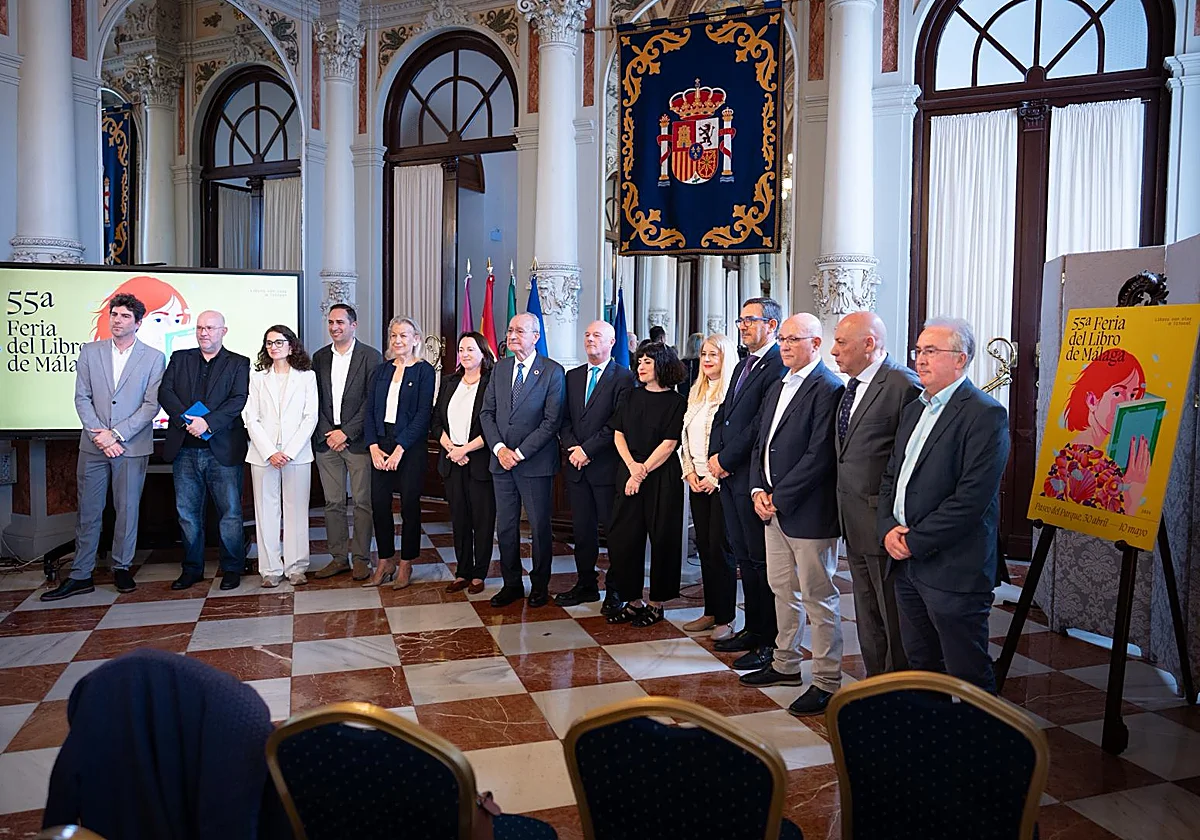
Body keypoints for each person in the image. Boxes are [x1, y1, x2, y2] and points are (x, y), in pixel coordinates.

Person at [878, 317, 1010, 692]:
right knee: (922, 666)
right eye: (919, 350)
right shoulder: (915, 408)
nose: (920, 359)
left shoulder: (984, 414)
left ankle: (975, 746)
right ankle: (933, 743)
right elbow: (892, 476)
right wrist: (888, 528)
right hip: (905, 565)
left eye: (931, 351)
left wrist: (913, 541)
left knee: (966, 670)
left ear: (961, 358)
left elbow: (970, 500)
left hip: (952, 568)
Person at [739, 314, 844, 717]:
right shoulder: (779, 384)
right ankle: (785, 664)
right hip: (771, 507)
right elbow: (759, 442)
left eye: (792, 339)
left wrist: (778, 497)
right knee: (782, 588)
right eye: (781, 338)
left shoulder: (828, 387)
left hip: (808, 512)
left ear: (816, 344)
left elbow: (820, 455)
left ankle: (826, 680)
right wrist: (756, 489)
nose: (783, 345)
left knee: (818, 597)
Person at [42, 293, 165, 601]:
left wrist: (117, 435)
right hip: (94, 446)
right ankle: (80, 574)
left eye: (124, 316)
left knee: (127, 510)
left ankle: (121, 568)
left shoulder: (153, 357)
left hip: (131, 445)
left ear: (138, 323)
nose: (117, 320)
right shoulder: (90, 351)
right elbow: (81, 397)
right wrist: (101, 435)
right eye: (114, 315)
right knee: (88, 512)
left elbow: (151, 406)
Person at [829, 311, 921, 676]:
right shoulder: (849, 386)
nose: (834, 351)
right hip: (851, 518)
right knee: (866, 612)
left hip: (882, 522)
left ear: (869, 344)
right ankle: (875, 684)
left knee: (891, 614)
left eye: (841, 343)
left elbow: (907, 460)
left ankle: (896, 690)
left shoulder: (902, 384)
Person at [706, 297, 786, 670]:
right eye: (740, 320)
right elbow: (725, 413)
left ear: (771, 325)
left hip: (750, 474)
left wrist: (725, 459)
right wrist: (713, 455)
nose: (742, 327)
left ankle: (769, 639)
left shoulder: (776, 364)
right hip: (728, 476)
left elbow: (758, 424)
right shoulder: (743, 365)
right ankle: (752, 628)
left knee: (760, 561)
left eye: (750, 320)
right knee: (744, 559)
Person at [157, 310, 251, 592]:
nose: (204, 333)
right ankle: (192, 568)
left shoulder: (238, 363)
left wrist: (207, 422)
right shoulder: (180, 358)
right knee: (187, 513)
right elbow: (165, 393)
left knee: (231, 513)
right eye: (199, 328)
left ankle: (233, 568)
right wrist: (189, 421)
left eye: (210, 328)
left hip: (222, 450)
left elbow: (238, 400)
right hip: (184, 448)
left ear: (224, 331)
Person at [480, 313, 567, 608]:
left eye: (520, 330)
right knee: (505, 526)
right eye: (510, 329)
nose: (513, 335)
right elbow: (486, 414)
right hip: (500, 463)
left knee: (540, 527)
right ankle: (512, 584)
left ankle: (540, 585)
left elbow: (551, 422)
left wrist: (518, 453)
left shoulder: (553, 372)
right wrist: (500, 449)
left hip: (534, 464)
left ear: (536, 336)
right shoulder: (501, 369)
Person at [606, 342, 688, 626]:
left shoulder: (677, 402)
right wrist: (632, 468)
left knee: (663, 539)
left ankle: (656, 602)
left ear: (662, 366)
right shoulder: (629, 396)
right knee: (623, 538)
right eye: (639, 361)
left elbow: (669, 444)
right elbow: (618, 434)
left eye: (648, 362)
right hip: (629, 469)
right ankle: (632, 600)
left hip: (661, 475)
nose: (640, 366)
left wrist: (640, 474)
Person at [557, 320, 635, 608]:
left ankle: (615, 591)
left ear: (612, 342)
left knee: (613, 532)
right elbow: (563, 419)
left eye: (597, 335)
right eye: (587, 335)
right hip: (576, 469)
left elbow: (617, 422)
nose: (590, 339)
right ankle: (585, 584)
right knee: (583, 530)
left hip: (606, 468)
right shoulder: (573, 376)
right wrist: (572, 448)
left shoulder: (623, 377)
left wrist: (587, 450)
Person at [311, 304, 385, 581]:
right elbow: (312, 399)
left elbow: (372, 401)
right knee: (333, 503)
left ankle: (362, 558)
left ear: (354, 325)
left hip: (358, 442)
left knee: (363, 502)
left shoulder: (371, 357)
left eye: (340, 322)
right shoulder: (318, 358)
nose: (334, 327)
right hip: (327, 441)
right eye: (331, 322)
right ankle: (338, 557)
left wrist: (347, 432)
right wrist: (329, 431)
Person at [243, 325, 319, 588]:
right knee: (266, 511)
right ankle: (270, 569)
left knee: (296, 510)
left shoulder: (306, 377)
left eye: (279, 342)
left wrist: (287, 452)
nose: (273, 347)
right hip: (263, 455)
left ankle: (296, 567)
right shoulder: (258, 377)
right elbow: (250, 417)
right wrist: (270, 452)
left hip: (296, 455)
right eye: (269, 343)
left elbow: (310, 417)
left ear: (291, 345)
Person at [363, 317, 436, 589]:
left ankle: (406, 562)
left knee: (409, 506)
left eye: (404, 336)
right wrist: (373, 445)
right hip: (380, 444)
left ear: (416, 339)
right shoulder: (381, 370)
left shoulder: (424, 371)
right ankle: (385, 560)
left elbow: (422, 415)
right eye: (393, 336)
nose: (397, 341)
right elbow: (369, 410)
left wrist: (400, 449)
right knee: (379, 504)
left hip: (410, 447)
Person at [678, 334, 740, 641]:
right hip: (696, 480)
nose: (706, 360)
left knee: (721, 549)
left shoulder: (731, 392)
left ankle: (726, 618)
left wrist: (713, 478)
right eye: (703, 354)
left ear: (726, 357)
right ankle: (710, 610)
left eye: (713, 355)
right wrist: (689, 470)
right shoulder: (696, 391)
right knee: (704, 547)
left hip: (722, 483)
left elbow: (734, 442)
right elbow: (685, 437)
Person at [1042, 348, 1150, 515]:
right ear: (1092, 400)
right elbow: (1117, 519)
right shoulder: (1086, 461)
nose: (1128, 403)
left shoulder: (1081, 450)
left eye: (1133, 395)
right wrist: (1132, 490)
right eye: (1117, 393)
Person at [432, 332, 496, 594]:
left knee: (482, 519)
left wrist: (465, 449)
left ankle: (479, 573)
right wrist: (451, 448)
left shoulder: (492, 383)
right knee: (459, 519)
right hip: (451, 460)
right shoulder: (449, 382)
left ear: (483, 352)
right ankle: (462, 571)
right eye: (461, 349)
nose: (465, 354)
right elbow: (435, 420)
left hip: (478, 461)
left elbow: (494, 424)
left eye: (470, 349)